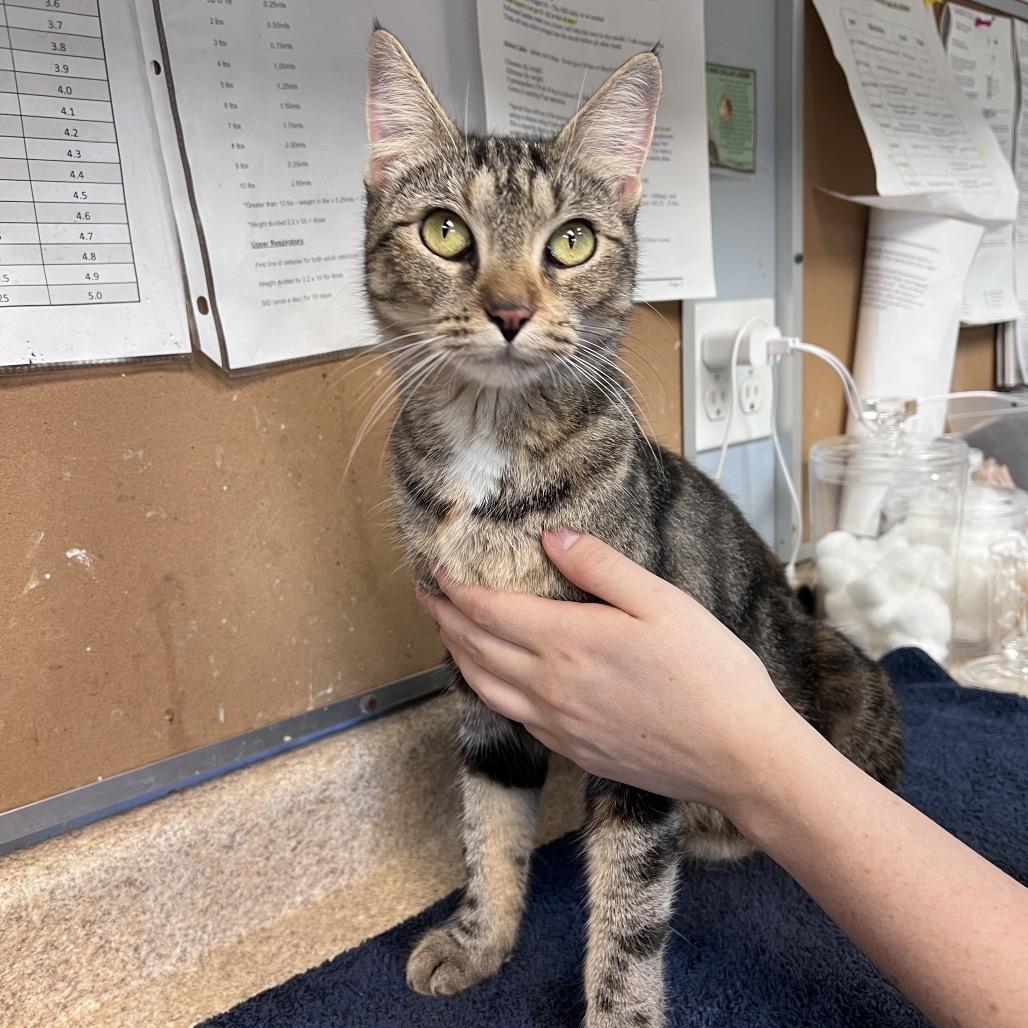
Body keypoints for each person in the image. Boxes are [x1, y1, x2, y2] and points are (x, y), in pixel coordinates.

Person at [416, 529, 1028, 1028]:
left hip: (769, 752)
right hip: (708, 803)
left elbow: (636, 754)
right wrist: (481, 928)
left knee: (853, 687)